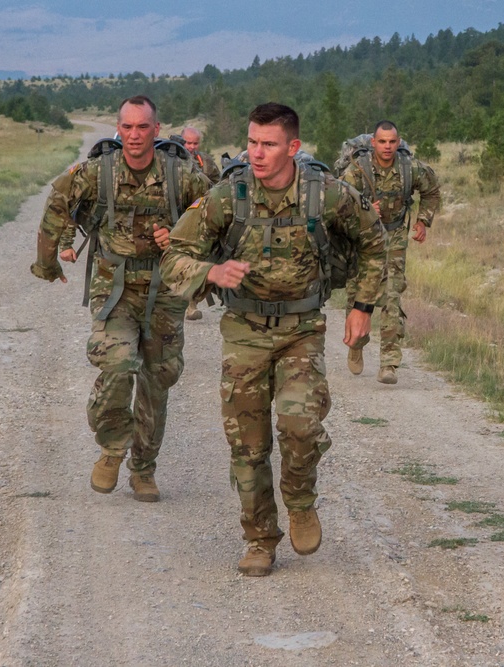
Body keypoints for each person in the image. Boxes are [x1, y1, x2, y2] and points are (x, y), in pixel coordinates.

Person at [159, 103, 387, 576]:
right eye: (252, 142)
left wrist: (363, 307)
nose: (257, 154)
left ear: (293, 148)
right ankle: (260, 537)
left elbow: (373, 241)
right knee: (248, 444)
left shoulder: (327, 195)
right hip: (244, 333)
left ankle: (301, 500)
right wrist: (211, 271)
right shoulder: (228, 197)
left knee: (300, 428)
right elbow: (175, 256)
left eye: (268, 144)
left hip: (302, 331)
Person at [30, 95, 211, 503]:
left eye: (142, 127)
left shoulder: (182, 177)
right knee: (117, 362)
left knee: (157, 380)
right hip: (114, 286)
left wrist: (182, 239)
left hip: (166, 290)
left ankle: (143, 469)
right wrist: (47, 263)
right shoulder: (97, 173)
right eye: (127, 127)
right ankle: (112, 447)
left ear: (156, 130)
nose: (134, 135)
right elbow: (58, 201)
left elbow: (217, 218)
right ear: (118, 128)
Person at [339, 120, 440, 385]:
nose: (387, 146)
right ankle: (356, 344)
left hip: (394, 238)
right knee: (358, 297)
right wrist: (363, 207)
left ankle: (389, 363)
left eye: (392, 142)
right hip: (362, 241)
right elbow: (337, 203)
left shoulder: (410, 168)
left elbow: (432, 190)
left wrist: (422, 221)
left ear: (398, 142)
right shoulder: (358, 170)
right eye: (382, 141)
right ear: (373, 143)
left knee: (392, 296)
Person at [179, 126, 220, 320]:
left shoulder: (207, 163)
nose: (191, 147)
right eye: (188, 142)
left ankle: (191, 303)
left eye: (195, 143)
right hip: (176, 219)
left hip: (199, 220)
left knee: (195, 259)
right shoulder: (171, 160)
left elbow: (219, 185)